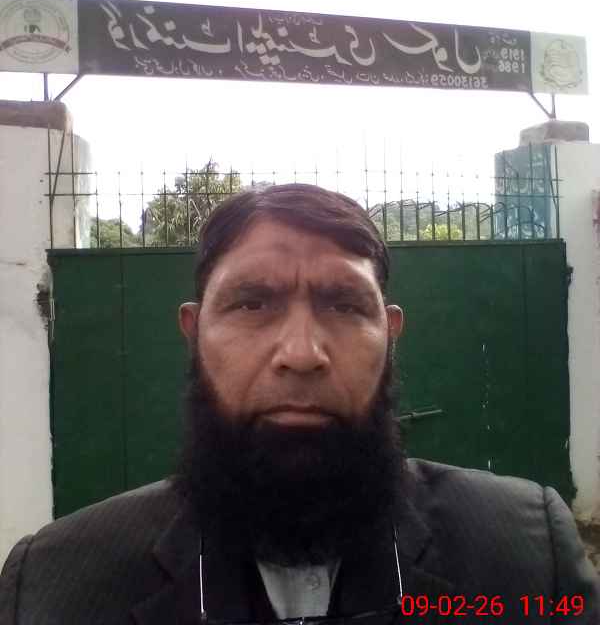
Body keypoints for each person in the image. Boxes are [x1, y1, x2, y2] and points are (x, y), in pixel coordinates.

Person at [0, 183, 598, 624]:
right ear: (194, 332)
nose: (302, 354)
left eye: (344, 305)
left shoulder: (527, 560)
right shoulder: (53, 587)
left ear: (389, 334)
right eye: (252, 303)